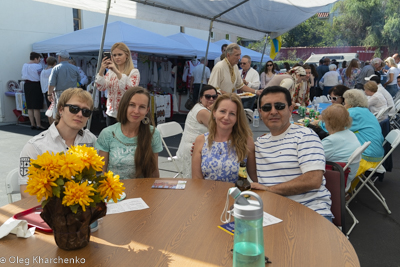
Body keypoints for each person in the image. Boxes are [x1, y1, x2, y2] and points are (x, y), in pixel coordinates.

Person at [251, 86, 332, 220]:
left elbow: (313, 180)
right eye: (266, 108)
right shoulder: (259, 143)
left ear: (290, 110)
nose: (273, 111)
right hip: (272, 213)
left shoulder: (305, 135)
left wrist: (270, 190)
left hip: (309, 212)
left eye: (279, 106)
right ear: (260, 112)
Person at [19, 88, 97, 198]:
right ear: (60, 110)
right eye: (74, 108)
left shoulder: (91, 140)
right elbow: (26, 193)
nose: (80, 114)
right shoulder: (35, 146)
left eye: (86, 111)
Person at [95, 87, 162, 179]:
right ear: (124, 106)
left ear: (147, 110)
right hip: (114, 190)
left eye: (142, 107)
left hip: (142, 191)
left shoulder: (153, 133)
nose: (136, 111)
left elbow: (154, 172)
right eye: (132, 105)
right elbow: (101, 172)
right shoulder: (107, 134)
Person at [192, 93, 257, 182]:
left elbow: (255, 178)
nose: (226, 117)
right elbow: (197, 180)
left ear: (237, 118)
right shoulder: (201, 140)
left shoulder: (246, 141)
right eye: (222, 111)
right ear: (214, 112)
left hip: (235, 194)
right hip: (207, 194)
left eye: (232, 114)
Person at [319, 89, 384, 177]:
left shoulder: (354, 112)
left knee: (330, 153)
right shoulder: (364, 111)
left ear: (350, 102)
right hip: (376, 153)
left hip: (366, 157)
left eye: (345, 102)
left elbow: (334, 127)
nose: (344, 105)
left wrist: (319, 122)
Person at [176, 85, 217, 178]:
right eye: (207, 96)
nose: (211, 99)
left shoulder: (200, 106)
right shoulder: (202, 111)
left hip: (198, 146)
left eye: (214, 97)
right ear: (201, 98)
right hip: (192, 150)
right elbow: (219, 129)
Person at [96, 42, 140, 126]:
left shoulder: (134, 72)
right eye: (114, 55)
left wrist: (117, 71)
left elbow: (130, 90)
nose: (117, 57)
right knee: (111, 138)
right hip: (111, 113)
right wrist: (101, 70)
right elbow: (101, 87)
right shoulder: (110, 72)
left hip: (126, 113)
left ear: (127, 55)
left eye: (120, 54)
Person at [321, 105, 361, 190]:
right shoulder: (350, 133)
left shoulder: (331, 141)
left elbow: (312, 159)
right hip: (347, 176)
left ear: (328, 122)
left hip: (336, 179)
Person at [21, 52, 44, 130]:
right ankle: (38, 124)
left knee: (30, 106)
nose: (39, 61)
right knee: (36, 106)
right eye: (39, 59)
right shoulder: (38, 66)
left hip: (27, 85)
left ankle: (32, 124)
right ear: (35, 58)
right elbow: (40, 76)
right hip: (35, 85)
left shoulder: (24, 65)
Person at [40, 56, 57, 125]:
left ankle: (51, 125)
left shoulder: (43, 71)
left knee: (49, 108)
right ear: (55, 63)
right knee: (53, 109)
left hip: (45, 91)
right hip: (52, 91)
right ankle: (54, 125)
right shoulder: (53, 70)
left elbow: (42, 82)